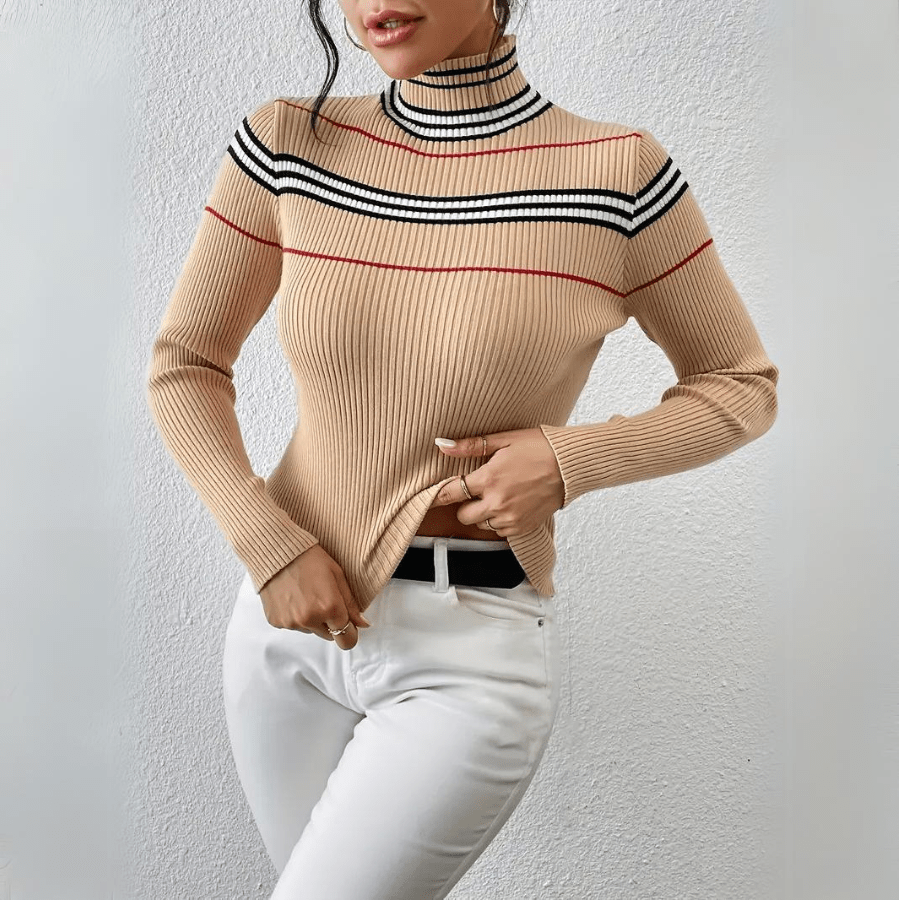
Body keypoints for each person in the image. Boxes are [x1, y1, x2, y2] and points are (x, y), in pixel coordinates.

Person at [145, 1, 779, 896]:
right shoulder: (287, 143)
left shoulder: (617, 173)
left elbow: (741, 384)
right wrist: (269, 545)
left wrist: (569, 461)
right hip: (284, 633)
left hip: (467, 656)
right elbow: (186, 363)